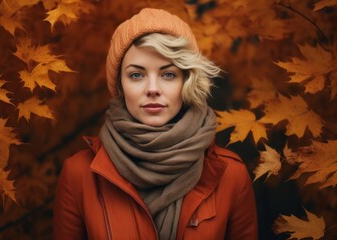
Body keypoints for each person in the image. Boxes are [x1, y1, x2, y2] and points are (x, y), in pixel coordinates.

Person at [53, 8, 258, 240]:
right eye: (136, 75)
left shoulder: (230, 175)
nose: (152, 89)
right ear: (119, 86)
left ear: (186, 81)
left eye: (168, 74)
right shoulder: (79, 174)